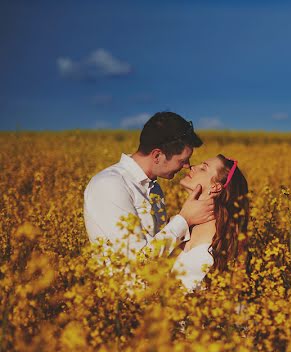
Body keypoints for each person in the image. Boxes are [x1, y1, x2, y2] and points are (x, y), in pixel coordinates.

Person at [83, 112, 214, 260]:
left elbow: (159, 249)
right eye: (182, 160)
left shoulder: (154, 188)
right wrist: (184, 219)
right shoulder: (110, 185)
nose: (187, 166)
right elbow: (137, 259)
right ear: (157, 155)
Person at [172, 154, 249, 292]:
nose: (193, 167)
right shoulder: (176, 223)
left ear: (216, 187)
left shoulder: (230, 237)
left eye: (204, 168)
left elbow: (234, 296)